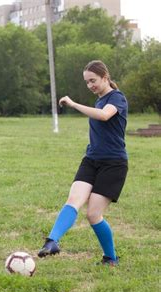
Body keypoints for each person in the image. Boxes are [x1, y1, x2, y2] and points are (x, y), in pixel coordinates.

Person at [38, 60, 128, 266]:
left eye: (93, 81)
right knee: (73, 200)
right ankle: (52, 241)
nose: (90, 86)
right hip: (91, 160)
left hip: (113, 164)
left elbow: (105, 115)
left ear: (105, 77)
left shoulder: (117, 98)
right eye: (87, 82)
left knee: (93, 214)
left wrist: (74, 104)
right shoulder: (98, 100)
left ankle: (110, 258)